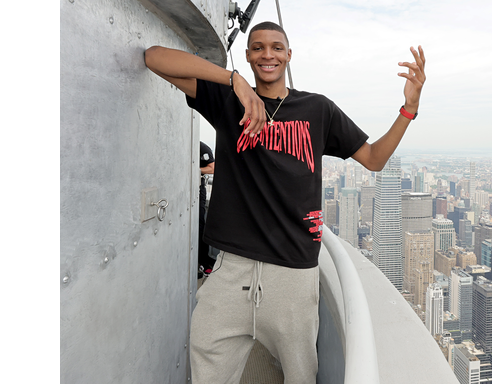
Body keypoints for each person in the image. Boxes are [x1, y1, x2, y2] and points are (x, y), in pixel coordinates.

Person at [144, 21, 425, 384]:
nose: (267, 55)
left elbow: (373, 158)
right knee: (207, 371)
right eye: (258, 47)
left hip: (293, 275)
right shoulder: (228, 101)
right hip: (231, 271)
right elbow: (155, 58)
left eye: (276, 47)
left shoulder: (318, 109)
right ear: (247, 57)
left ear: (289, 56)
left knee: (300, 377)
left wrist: (408, 108)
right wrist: (233, 80)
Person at [198, 141, 216, 277]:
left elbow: (212, 168)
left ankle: (203, 263)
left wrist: (193, 169)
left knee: (199, 225)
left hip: (198, 190)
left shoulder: (202, 147)